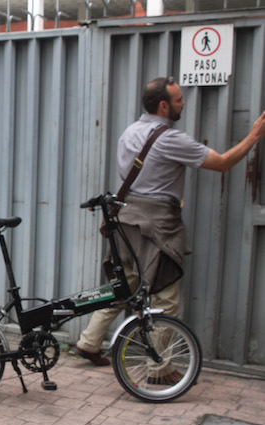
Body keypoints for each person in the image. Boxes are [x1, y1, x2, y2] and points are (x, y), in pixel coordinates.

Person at [71, 76, 265, 374]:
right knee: (165, 296)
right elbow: (223, 162)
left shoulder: (130, 132)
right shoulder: (171, 138)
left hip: (126, 218)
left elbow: (145, 177)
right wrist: (253, 136)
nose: (183, 103)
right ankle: (159, 369)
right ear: (163, 105)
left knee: (125, 285)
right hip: (157, 224)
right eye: (178, 99)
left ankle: (89, 341)